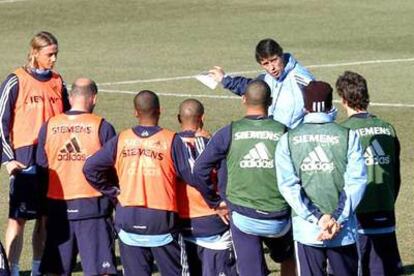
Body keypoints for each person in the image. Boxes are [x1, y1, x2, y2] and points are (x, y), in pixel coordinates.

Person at [83, 90, 220, 276]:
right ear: (160, 110)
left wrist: (113, 191)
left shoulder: (122, 139)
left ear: (135, 112)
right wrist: (215, 202)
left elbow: (90, 168)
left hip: (128, 219)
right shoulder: (171, 140)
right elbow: (193, 177)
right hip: (161, 222)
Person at [193, 80, 295, 276]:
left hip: (243, 216)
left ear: (243, 100)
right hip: (279, 216)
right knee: (289, 258)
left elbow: (200, 169)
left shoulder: (228, 131)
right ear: (271, 101)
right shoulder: (284, 132)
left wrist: (215, 202)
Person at [275, 80, 367, 276]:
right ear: (330, 105)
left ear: (305, 106)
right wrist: (336, 219)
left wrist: (318, 218)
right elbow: (356, 182)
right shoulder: (348, 136)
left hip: (307, 230)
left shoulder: (288, 139)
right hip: (343, 231)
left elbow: (288, 186)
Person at [0, 31, 69, 276]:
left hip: (52, 160)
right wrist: (8, 159)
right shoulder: (15, 80)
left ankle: (39, 268)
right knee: (17, 220)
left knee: (45, 218)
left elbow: (68, 119)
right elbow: (1, 123)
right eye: (50, 54)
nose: (54, 59)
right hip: (24, 157)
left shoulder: (58, 81)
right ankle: (11, 269)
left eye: (56, 54)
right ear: (35, 53)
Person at [36, 78, 117, 275]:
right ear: (94, 98)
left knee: (54, 270)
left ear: (71, 98)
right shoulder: (102, 126)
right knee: (101, 272)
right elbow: (113, 170)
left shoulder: (49, 126)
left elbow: (42, 167)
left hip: (58, 208)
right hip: (93, 208)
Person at [335, 71, 403, 275]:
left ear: (343, 99)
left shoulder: (342, 132)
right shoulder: (388, 129)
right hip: (385, 210)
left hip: (357, 216)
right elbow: (396, 175)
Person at [176, 99, 237, 276]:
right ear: (202, 118)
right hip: (213, 222)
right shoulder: (213, 145)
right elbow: (226, 181)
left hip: (182, 222)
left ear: (179, 118)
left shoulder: (169, 145)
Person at [208, 38, 315, 129]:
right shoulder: (267, 77)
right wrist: (224, 79)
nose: (271, 68)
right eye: (265, 64)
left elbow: (321, 110)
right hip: (274, 137)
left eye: (274, 60)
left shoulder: (302, 80)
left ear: (281, 55)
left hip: (293, 142)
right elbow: (251, 88)